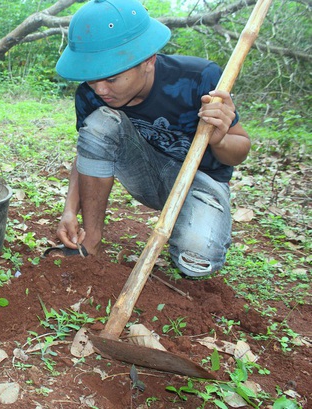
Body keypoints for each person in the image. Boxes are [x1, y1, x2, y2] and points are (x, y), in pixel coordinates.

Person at [52, 0, 250, 277]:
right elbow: (89, 150)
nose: (99, 89)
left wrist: (219, 140)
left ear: (148, 61)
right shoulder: (90, 94)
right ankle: (92, 240)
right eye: (91, 79)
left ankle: (190, 232)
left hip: (200, 180)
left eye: (111, 78)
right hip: (143, 173)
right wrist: (69, 210)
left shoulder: (199, 79)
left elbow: (240, 151)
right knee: (99, 122)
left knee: (196, 262)